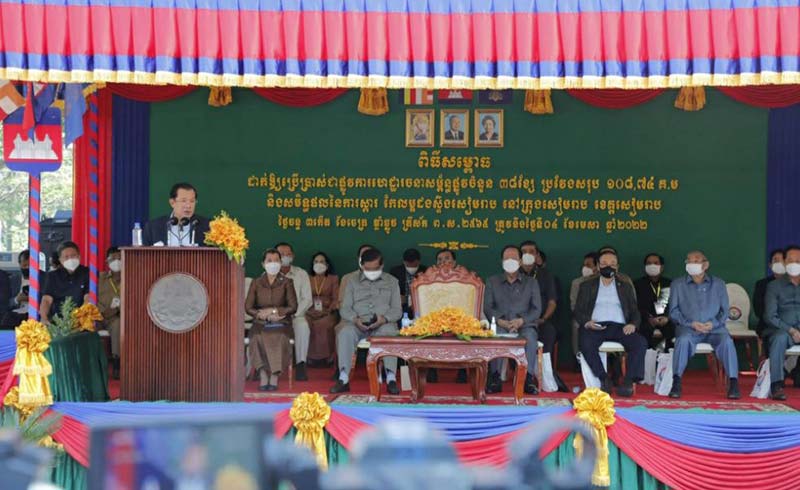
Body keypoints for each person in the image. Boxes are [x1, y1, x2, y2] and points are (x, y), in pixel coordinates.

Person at [668, 251, 740, 399]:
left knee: (727, 342)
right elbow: (673, 312)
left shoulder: (718, 284)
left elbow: (724, 311)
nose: (691, 264)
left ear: (705, 265)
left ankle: (733, 383)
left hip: (715, 329)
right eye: (689, 261)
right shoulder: (677, 284)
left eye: (696, 261)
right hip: (689, 328)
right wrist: (690, 323)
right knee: (682, 341)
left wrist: (713, 324)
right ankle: (676, 382)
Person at [574, 250, 645, 397]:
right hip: (596, 326)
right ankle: (603, 378)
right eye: (604, 264)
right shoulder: (586, 286)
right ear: (598, 266)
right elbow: (578, 311)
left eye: (612, 264)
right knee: (585, 341)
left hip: (620, 327)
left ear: (617, 267)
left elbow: (635, 311)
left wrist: (633, 324)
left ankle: (628, 381)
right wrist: (587, 322)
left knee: (640, 342)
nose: (608, 267)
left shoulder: (625, 286)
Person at [331, 248, 402, 395]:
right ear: (362, 266)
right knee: (345, 332)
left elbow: (397, 310)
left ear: (382, 265)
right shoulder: (352, 281)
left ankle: (391, 378)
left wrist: (384, 319)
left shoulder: (392, 281)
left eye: (375, 269)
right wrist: (355, 319)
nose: (371, 272)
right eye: (368, 269)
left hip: (382, 323)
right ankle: (343, 378)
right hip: (357, 322)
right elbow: (345, 308)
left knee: (390, 332)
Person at [484, 245, 541, 395]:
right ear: (502, 262)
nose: (510, 261)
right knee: (495, 335)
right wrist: (500, 321)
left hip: (524, 325)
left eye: (514, 259)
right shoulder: (492, 281)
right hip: (501, 323)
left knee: (530, 337)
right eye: (506, 259)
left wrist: (521, 321)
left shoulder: (531, 283)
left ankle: (528, 379)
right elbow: (488, 307)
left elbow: (536, 309)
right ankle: (494, 377)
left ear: (520, 262)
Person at [245, 249, 298, 391]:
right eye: (269, 260)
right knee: (255, 337)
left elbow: (293, 307)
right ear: (263, 264)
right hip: (260, 322)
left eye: (276, 260)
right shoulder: (256, 282)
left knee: (279, 337)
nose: (273, 263)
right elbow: (248, 307)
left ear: (280, 263)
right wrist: (260, 314)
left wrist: (274, 311)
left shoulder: (287, 282)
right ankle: (263, 374)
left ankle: (274, 375)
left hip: (281, 322)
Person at [519, 241, 565, 391]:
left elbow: (552, 302)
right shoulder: (514, 274)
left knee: (549, 331)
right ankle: (520, 373)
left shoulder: (545, 275)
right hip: (518, 323)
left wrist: (543, 318)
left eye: (531, 251)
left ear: (537, 255)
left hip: (540, 321)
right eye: (524, 252)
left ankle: (545, 373)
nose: (527, 255)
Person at [763, 245, 800, 400]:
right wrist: (791, 330)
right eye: (790, 260)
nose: (794, 264)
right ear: (784, 262)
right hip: (784, 331)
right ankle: (776, 385)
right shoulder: (774, 286)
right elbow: (770, 316)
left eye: (798, 261)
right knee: (778, 339)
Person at [275, 242, 312, 381]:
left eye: (288, 254)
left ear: (293, 256)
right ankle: (267, 366)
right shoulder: (268, 274)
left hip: (296, 315)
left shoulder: (301, 274)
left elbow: (307, 299)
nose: (285, 256)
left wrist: (293, 314)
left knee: (302, 326)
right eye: (282, 254)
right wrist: (277, 314)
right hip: (276, 316)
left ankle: (301, 364)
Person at [142, 182, 210, 246]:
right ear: (172, 203)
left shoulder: (207, 226)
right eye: (183, 201)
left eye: (192, 201)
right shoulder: (153, 227)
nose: (188, 206)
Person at [40, 241, 90, 323]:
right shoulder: (52, 276)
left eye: (73, 256)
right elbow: (46, 300)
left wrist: (80, 319)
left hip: (81, 320)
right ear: (60, 260)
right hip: (58, 321)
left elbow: (87, 299)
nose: (70, 259)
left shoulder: (87, 273)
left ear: (79, 256)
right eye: (66, 257)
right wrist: (44, 318)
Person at [634, 253, 675, 349]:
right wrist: (649, 319)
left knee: (672, 330)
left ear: (662, 267)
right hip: (646, 321)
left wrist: (667, 317)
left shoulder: (670, 284)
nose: (652, 265)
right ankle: (647, 356)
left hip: (666, 321)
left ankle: (667, 357)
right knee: (642, 330)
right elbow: (635, 307)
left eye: (656, 263)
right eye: (649, 263)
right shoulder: (637, 284)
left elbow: (675, 304)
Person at [306, 252, 339, 365]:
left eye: (321, 261)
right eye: (316, 262)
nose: (318, 264)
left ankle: (326, 358)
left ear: (327, 265)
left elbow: (336, 298)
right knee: (306, 323)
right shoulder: (307, 278)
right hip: (309, 311)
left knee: (323, 324)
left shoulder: (333, 279)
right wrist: (309, 311)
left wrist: (328, 311)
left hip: (328, 312)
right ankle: (309, 357)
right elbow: (303, 298)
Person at [98, 247, 123, 379]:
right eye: (113, 259)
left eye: (120, 258)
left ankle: (117, 363)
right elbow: (92, 298)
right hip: (100, 316)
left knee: (118, 324)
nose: (117, 261)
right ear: (107, 261)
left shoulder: (130, 277)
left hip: (117, 318)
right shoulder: (100, 278)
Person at [570, 252, 599, 359]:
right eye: (584, 265)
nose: (585, 268)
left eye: (588, 265)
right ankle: (578, 357)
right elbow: (573, 306)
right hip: (582, 316)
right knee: (576, 324)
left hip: (600, 316)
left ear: (597, 267)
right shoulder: (577, 283)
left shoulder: (603, 281)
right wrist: (586, 319)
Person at [754, 248, 786, 337]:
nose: (779, 263)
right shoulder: (761, 284)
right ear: (770, 265)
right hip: (768, 327)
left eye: (782, 260)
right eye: (776, 260)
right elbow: (759, 311)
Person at [389, 248, 427, 318]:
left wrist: (408, 299)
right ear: (404, 262)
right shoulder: (395, 272)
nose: (411, 267)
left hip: (421, 305)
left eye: (414, 265)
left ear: (419, 262)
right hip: (401, 306)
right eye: (408, 265)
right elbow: (390, 292)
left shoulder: (426, 271)